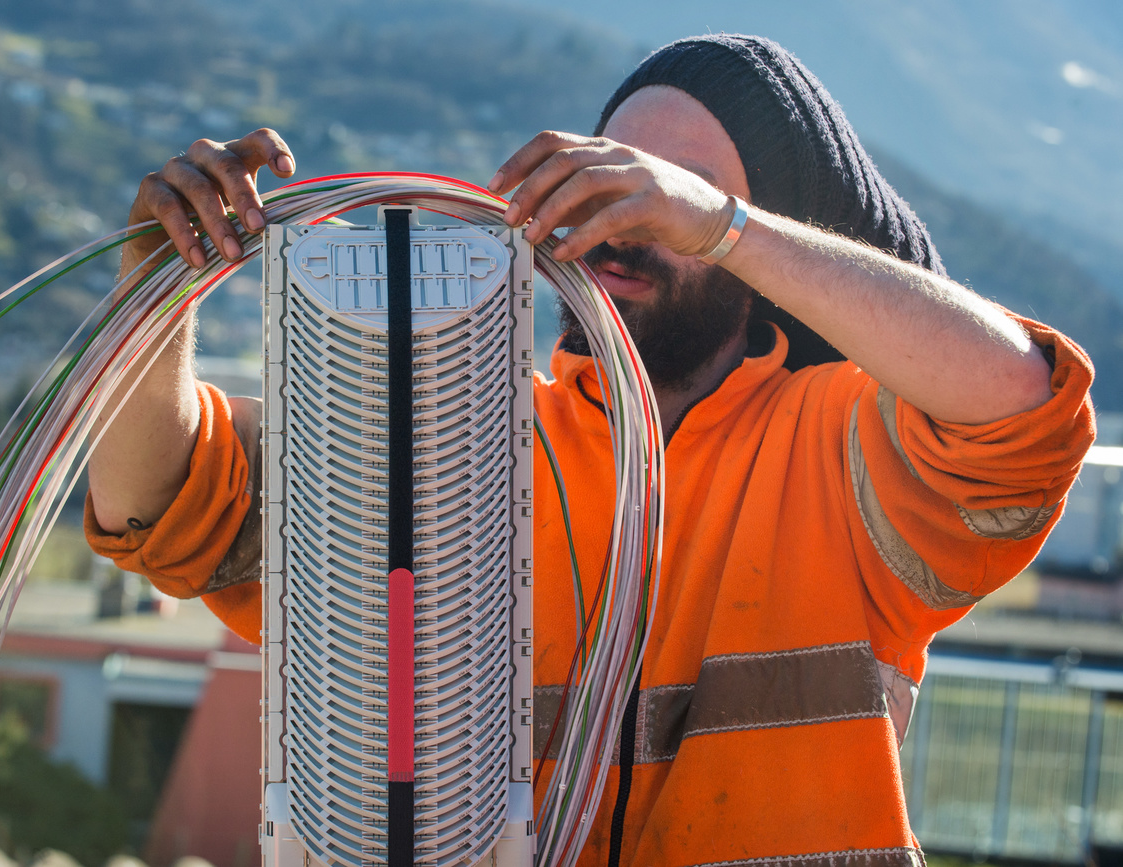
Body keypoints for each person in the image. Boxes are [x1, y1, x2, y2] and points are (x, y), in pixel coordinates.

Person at [85, 35, 1095, 867]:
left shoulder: (839, 444)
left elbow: (1014, 397)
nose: (624, 220)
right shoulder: (459, 440)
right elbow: (158, 503)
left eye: (670, 191)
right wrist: (152, 289)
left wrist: (724, 228)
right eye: (606, 177)